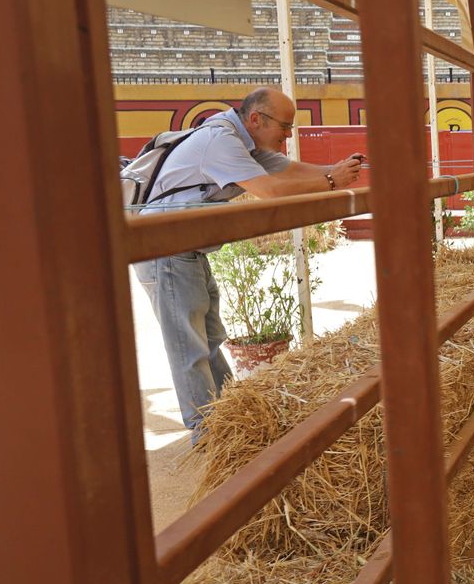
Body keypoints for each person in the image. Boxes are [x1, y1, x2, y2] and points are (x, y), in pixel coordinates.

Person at [133, 87, 364, 439]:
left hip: (185, 247)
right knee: (188, 344)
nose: (288, 135)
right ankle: (207, 432)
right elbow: (269, 190)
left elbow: (288, 170)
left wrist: (331, 171)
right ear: (256, 119)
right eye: (285, 126)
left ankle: (227, 419)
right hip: (166, 248)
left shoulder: (245, 143)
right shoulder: (221, 141)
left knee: (209, 336)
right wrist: (331, 181)